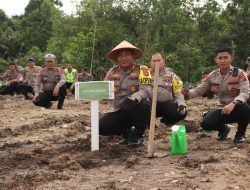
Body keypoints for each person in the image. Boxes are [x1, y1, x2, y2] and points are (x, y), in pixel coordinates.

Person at [183, 47, 250, 144]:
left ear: (231, 58)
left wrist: (233, 103)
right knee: (206, 124)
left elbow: (245, 92)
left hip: (239, 107)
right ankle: (223, 130)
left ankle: (240, 134)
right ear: (216, 60)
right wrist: (186, 93)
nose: (223, 60)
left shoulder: (240, 74)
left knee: (245, 108)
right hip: (222, 108)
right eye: (220, 58)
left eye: (225, 57)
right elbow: (198, 90)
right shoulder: (213, 75)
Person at [99, 40, 152, 147]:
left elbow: (146, 90)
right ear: (117, 58)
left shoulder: (142, 70)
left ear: (133, 57)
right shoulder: (112, 72)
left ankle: (137, 135)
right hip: (119, 110)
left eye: (127, 54)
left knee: (144, 104)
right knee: (100, 127)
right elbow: (103, 88)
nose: (123, 58)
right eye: (120, 56)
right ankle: (126, 133)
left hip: (135, 109)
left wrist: (132, 99)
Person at [130, 52, 187, 125]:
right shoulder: (145, 74)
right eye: (154, 61)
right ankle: (147, 123)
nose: (156, 63)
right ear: (150, 63)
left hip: (166, 104)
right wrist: (135, 97)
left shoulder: (172, 75)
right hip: (149, 104)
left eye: (159, 60)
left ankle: (165, 122)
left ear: (163, 62)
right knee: (141, 106)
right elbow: (143, 90)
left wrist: (182, 105)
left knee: (181, 112)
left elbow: (178, 93)